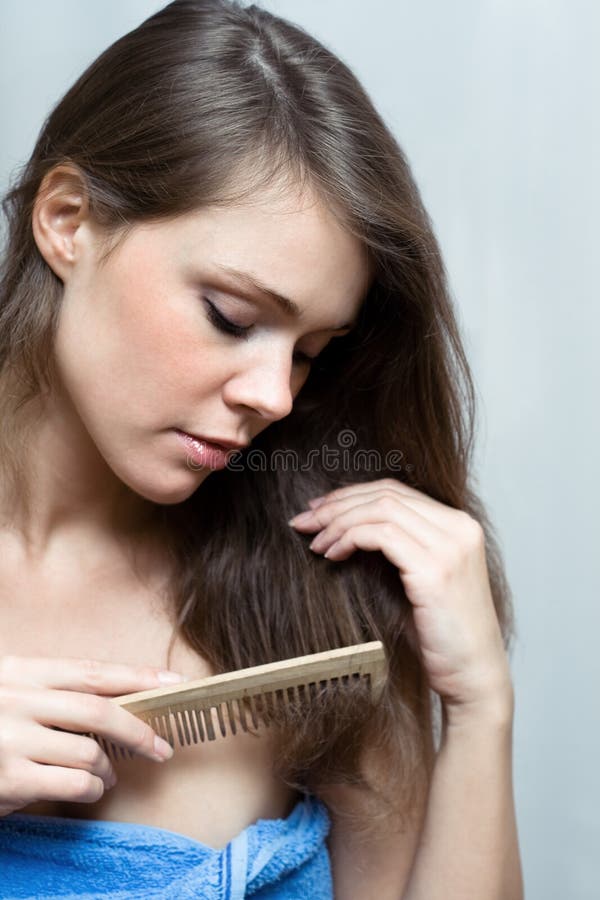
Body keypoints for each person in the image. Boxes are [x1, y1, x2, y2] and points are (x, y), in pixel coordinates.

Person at [0, 0, 524, 897]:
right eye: (231, 318)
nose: (275, 397)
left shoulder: (320, 586)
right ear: (68, 219)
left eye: (311, 353)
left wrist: (480, 706)